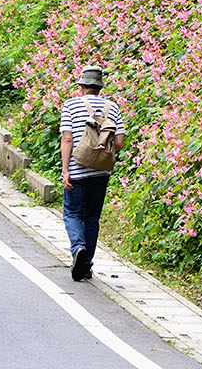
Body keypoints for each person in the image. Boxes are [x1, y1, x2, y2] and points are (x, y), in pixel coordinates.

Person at [59, 66, 126, 281]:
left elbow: (67, 139)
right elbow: (119, 143)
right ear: (100, 87)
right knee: (92, 217)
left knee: (72, 213)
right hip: (101, 173)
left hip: (77, 170)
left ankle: (78, 247)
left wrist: (66, 170)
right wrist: (100, 153)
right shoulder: (112, 107)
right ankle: (86, 266)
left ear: (81, 86)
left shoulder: (71, 105)